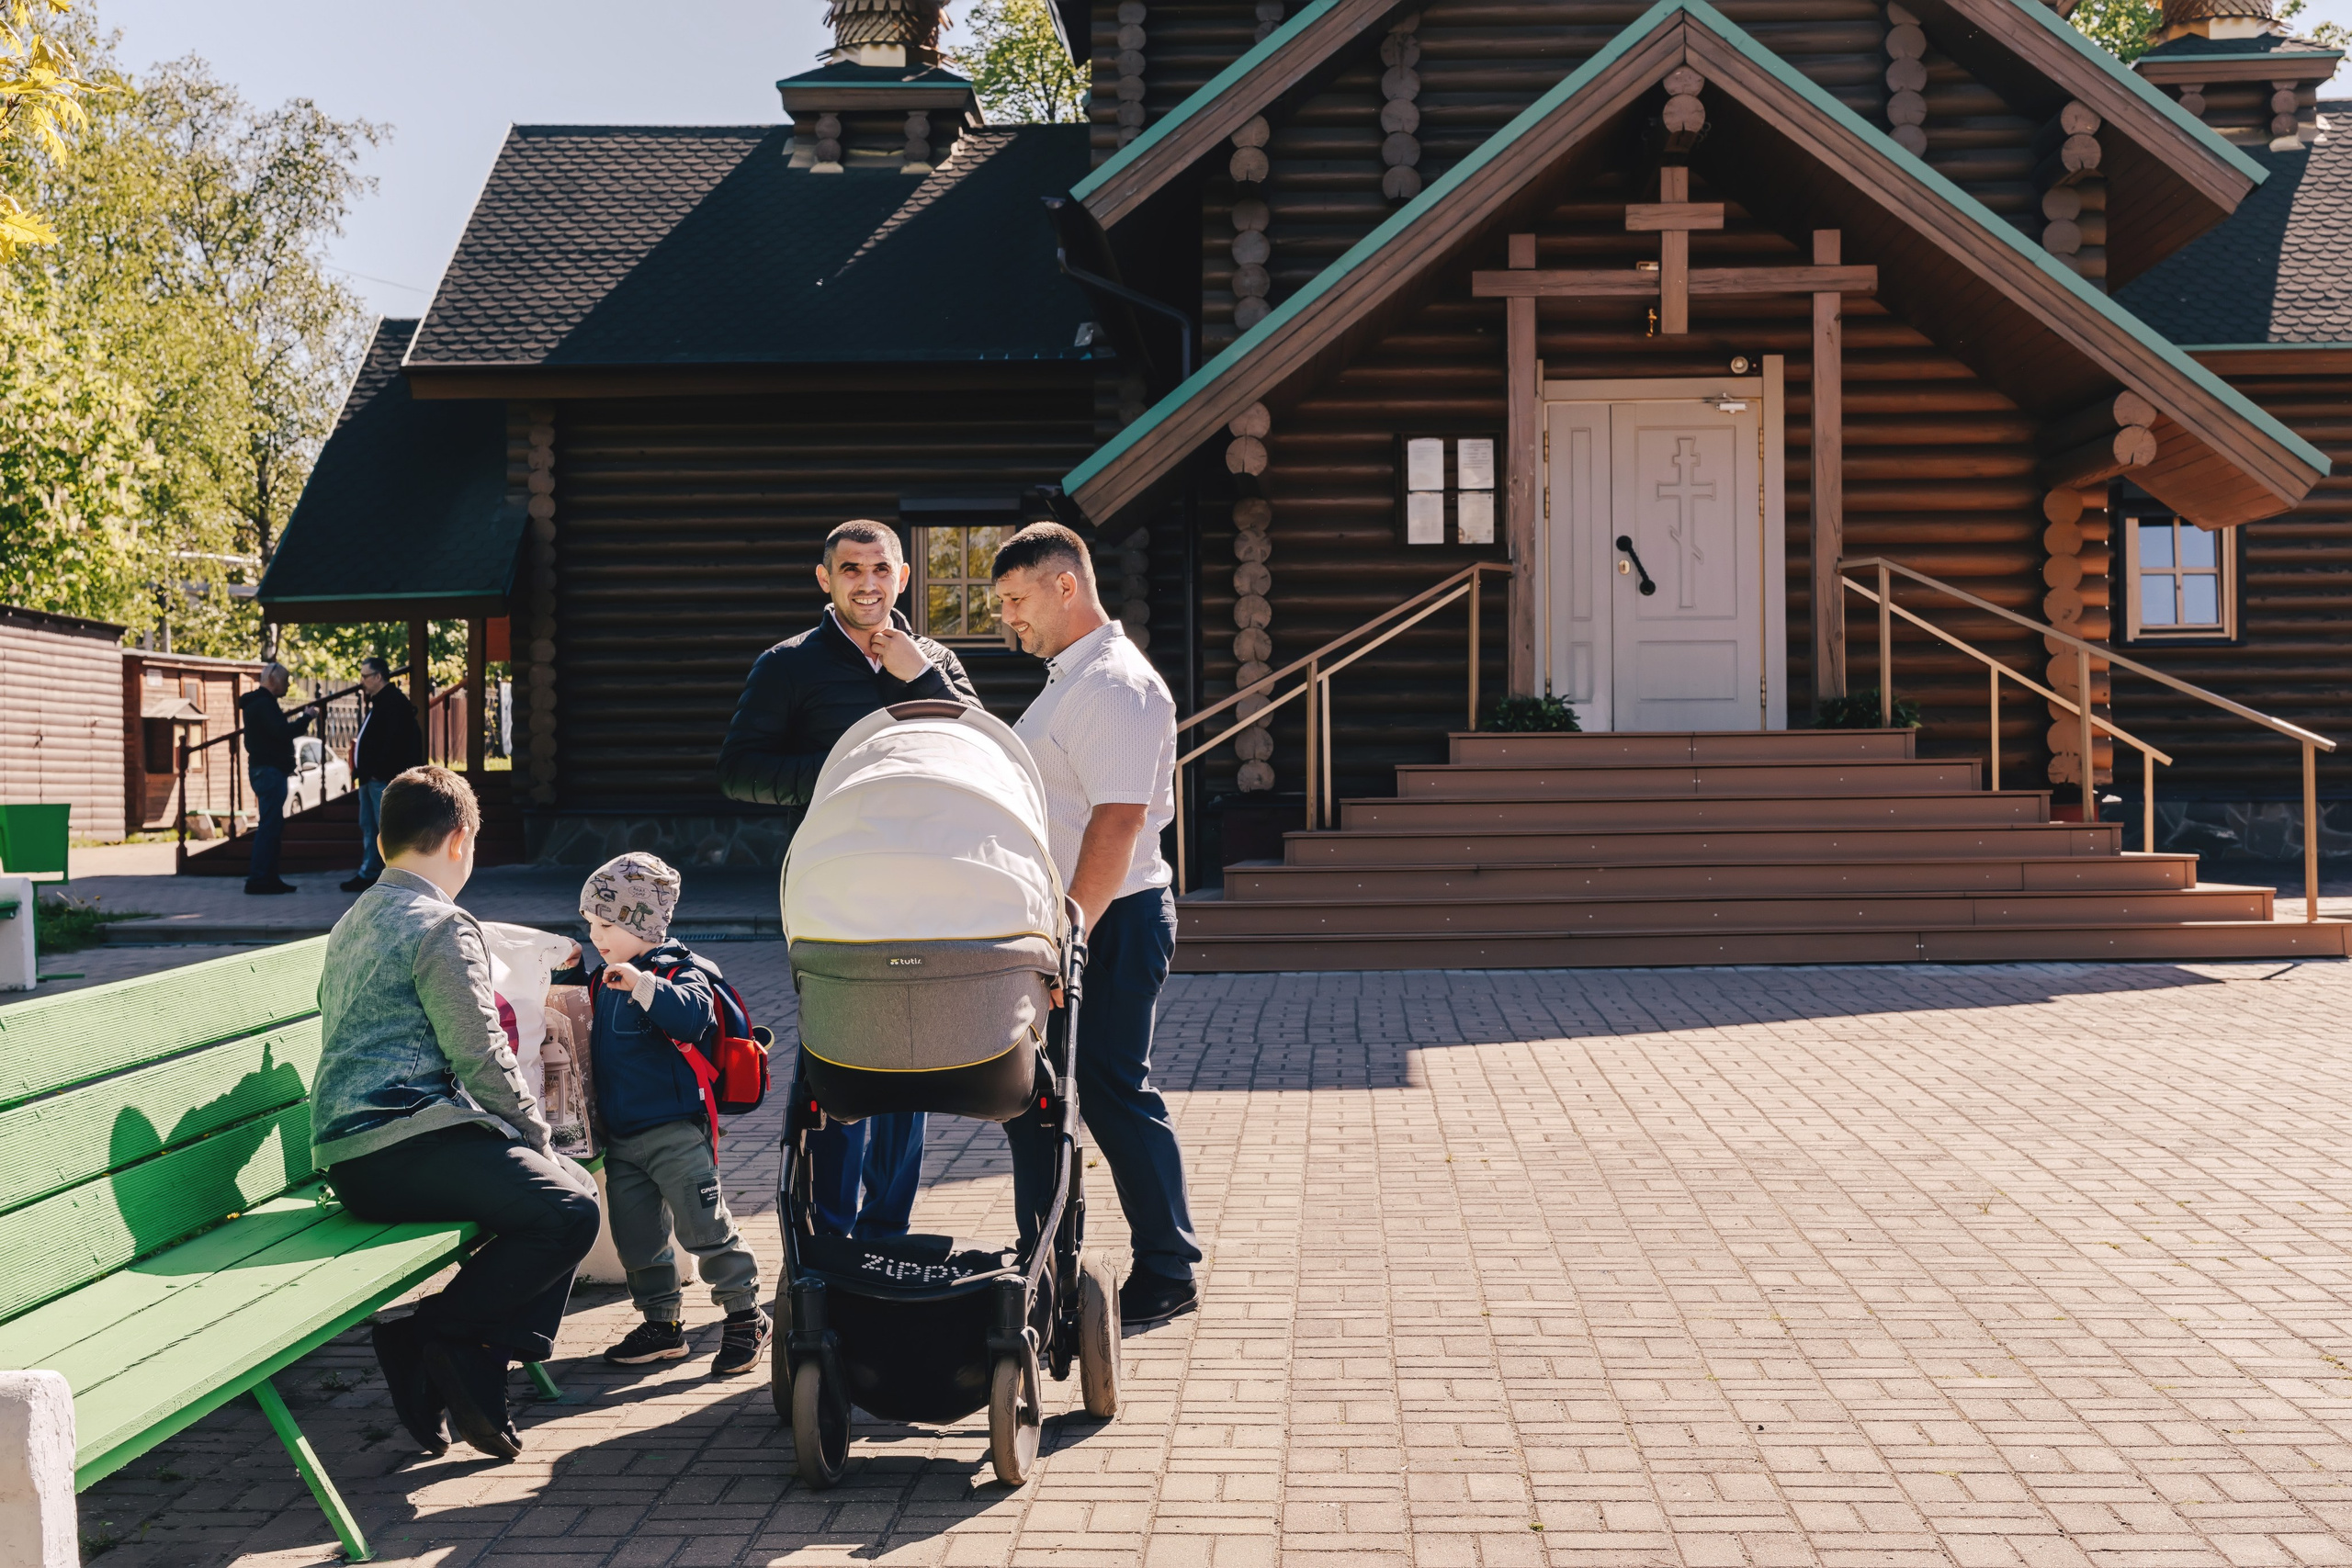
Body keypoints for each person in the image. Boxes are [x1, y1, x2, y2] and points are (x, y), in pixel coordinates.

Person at [311, 765, 601, 1461]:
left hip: (354, 1154)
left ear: (383, 839)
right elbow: (480, 1051)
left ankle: (468, 1356)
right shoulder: (441, 924)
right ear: (461, 839)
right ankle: (435, 1340)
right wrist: (537, 1136)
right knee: (568, 1208)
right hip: (399, 1144)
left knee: (572, 1192)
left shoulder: (356, 917)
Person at [717, 519, 979, 1239]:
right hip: (835, 892)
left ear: (903, 576)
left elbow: (979, 747)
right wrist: (847, 767)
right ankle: (828, 1235)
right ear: (825, 579)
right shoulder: (788, 664)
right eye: (852, 569)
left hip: (923, 891)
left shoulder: (936, 658)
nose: (868, 583)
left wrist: (920, 675)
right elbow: (739, 771)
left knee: (914, 1059)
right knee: (841, 1058)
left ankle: (887, 1229)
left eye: (881, 568)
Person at [990, 522, 1202, 1325]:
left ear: (1065, 585)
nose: (1009, 616)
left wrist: (1071, 932)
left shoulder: (1114, 683)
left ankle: (1168, 1269)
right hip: (1072, 918)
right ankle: (1044, 1259)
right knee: (1039, 1096)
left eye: (1017, 598)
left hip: (1109, 917)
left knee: (1110, 1087)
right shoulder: (1070, 678)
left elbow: (1119, 822)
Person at [547, 852, 773, 1377]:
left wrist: (642, 984)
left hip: (677, 1133)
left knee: (705, 1227)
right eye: (590, 923)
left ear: (642, 922)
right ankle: (662, 1324)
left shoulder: (680, 971)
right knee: (638, 1240)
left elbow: (692, 1016)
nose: (596, 934)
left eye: (606, 924)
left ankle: (746, 1315)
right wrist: (571, 973)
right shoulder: (605, 979)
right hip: (623, 1139)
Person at [342, 655, 425, 894]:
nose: (361, 681)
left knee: (386, 829)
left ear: (378, 676)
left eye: (365, 676)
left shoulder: (393, 702)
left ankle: (394, 876)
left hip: (381, 779)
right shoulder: (381, 702)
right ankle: (370, 872)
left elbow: (394, 742)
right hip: (371, 778)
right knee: (370, 826)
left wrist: (378, 772)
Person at [238, 662, 317, 896]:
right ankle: (259, 879)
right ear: (273, 680)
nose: (288, 685)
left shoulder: (258, 703)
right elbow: (282, 732)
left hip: (266, 770)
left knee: (272, 825)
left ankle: (268, 878)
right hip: (269, 771)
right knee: (269, 826)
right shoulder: (263, 704)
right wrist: (307, 717)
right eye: (286, 680)